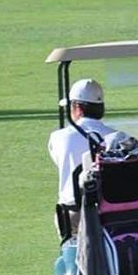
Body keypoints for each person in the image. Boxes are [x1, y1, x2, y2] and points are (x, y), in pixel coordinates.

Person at [47, 78, 117, 219]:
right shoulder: (116, 137)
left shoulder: (57, 137)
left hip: (74, 211)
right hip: (111, 211)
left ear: (77, 108)